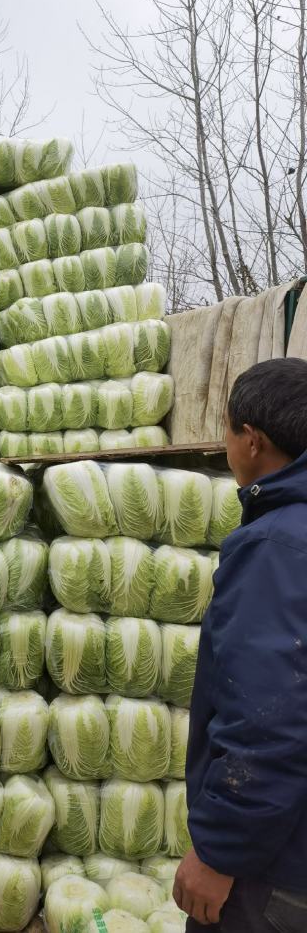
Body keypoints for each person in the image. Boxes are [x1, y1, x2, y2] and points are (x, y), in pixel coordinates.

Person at [174, 357, 307, 931]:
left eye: (227, 430)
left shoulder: (276, 547)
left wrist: (219, 851)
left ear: (252, 441)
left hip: (275, 867)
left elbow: (270, 721)